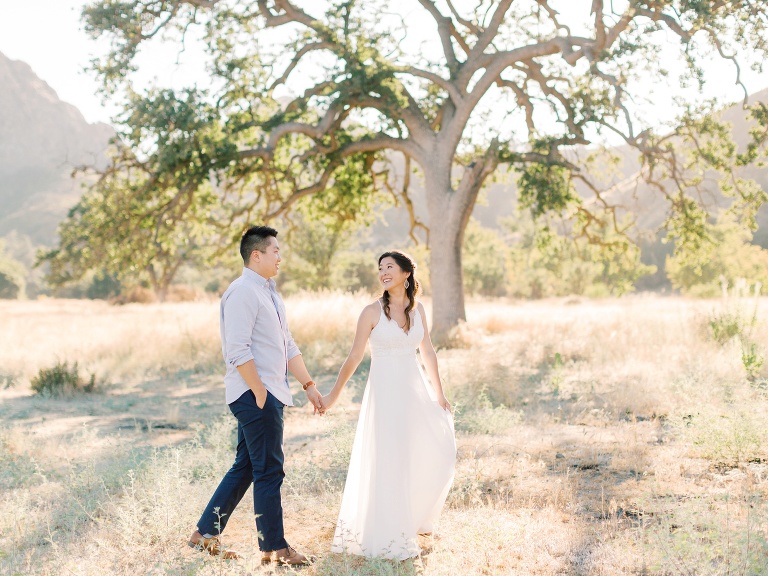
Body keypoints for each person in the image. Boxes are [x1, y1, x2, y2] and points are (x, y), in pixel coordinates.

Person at [187, 225, 323, 566]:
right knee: (269, 470)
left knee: (247, 467)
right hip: (254, 394)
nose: (280, 256)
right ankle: (275, 548)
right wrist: (260, 392)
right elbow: (237, 348)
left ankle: (204, 534)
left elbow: (288, 345)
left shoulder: (271, 294)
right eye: (275, 250)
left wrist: (309, 386)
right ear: (256, 255)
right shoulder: (243, 291)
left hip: (268, 393)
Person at [321, 250, 457, 559]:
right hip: (384, 394)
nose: (383, 272)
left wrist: (440, 394)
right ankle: (388, 533)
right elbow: (354, 356)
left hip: (414, 391)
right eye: (380, 267)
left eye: (390, 267)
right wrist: (332, 396)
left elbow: (429, 353)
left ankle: (414, 518)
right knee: (390, 458)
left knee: (436, 450)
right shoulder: (370, 312)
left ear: (407, 274)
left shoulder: (419, 309)